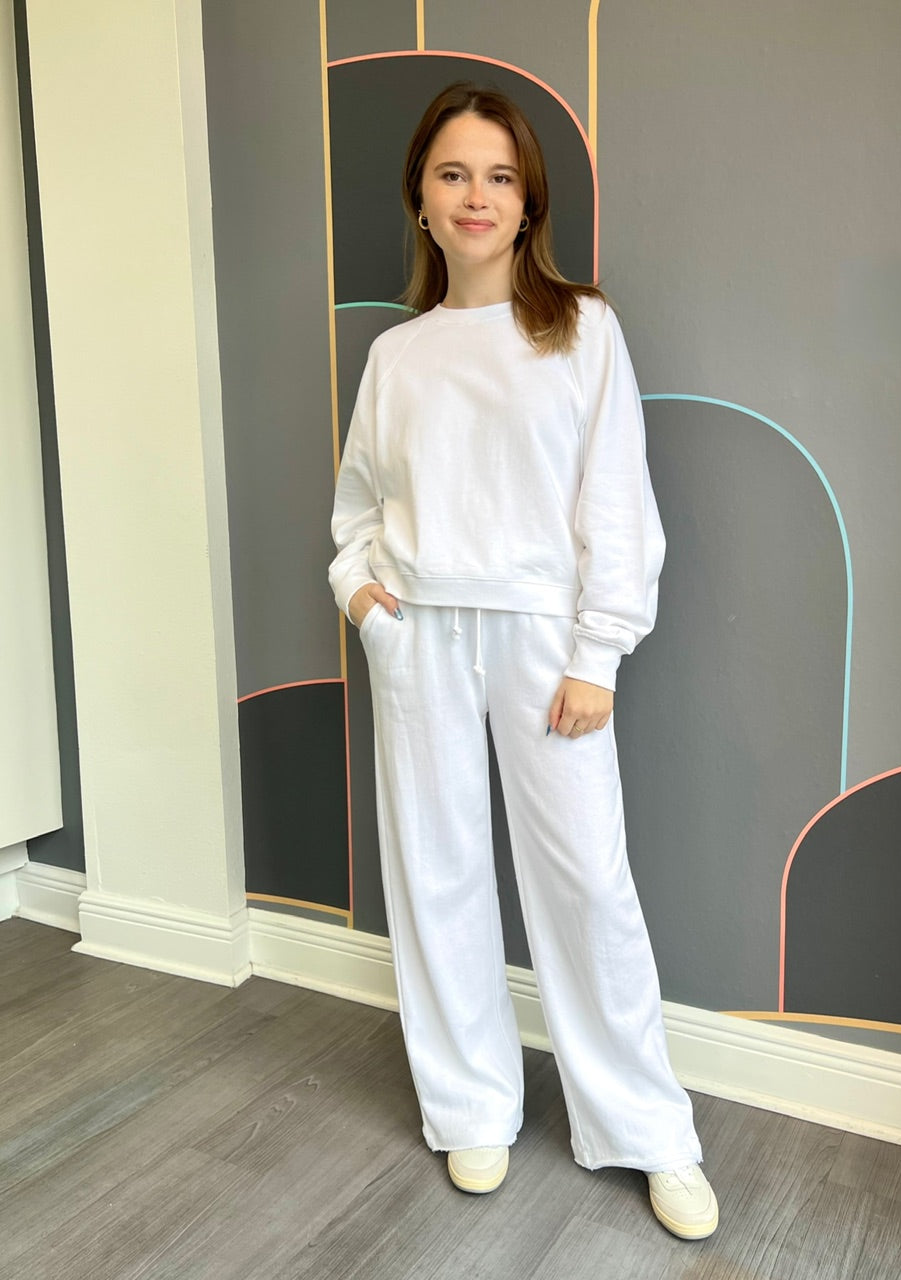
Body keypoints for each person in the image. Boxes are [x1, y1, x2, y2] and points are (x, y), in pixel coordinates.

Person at [329, 82, 718, 1241]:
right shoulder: (396, 354)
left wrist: (598, 651)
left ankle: (647, 1128)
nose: (476, 195)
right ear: (420, 197)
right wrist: (364, 600)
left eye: (499, 176)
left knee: (587, 882)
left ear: (528, 199)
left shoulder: (581, 328)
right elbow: (355, 511)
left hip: (547, 639)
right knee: (435, 872)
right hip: (421, 633)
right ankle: (469, 1104)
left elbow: (618, 503)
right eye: (453, 173)